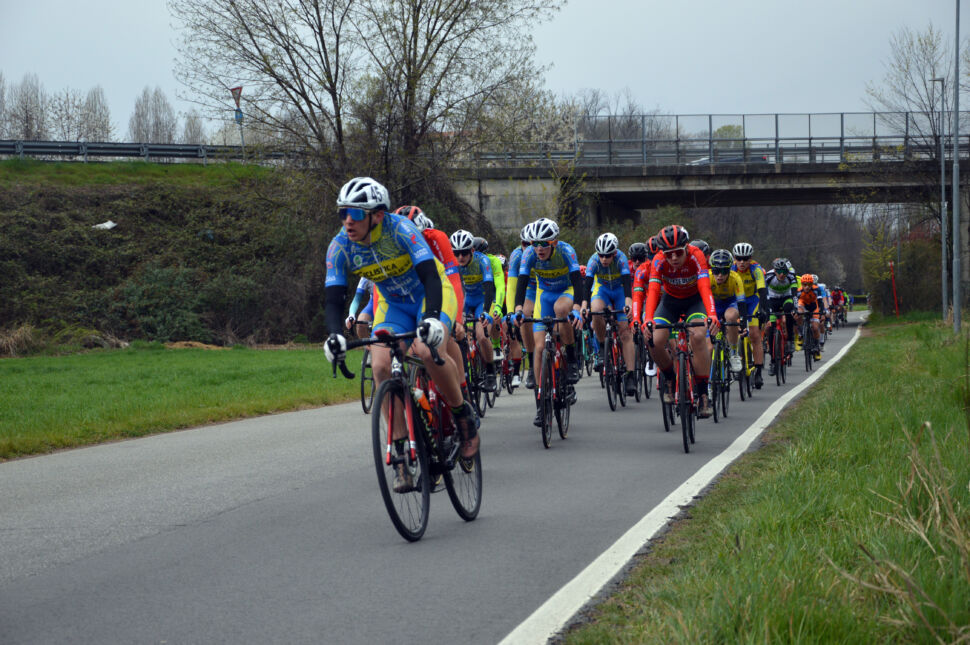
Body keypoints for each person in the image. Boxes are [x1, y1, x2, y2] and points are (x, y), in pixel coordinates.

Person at [323, 178, 478, 493]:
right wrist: (334, 335)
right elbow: (333, 298)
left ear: (377, 215)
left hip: (429, 295)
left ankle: (463, 414)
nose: (347, 220)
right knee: (380, 366)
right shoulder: (340, 246)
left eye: (355, 212)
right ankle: (399, 454)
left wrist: (433, 318)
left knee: (425, 349)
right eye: (343, 213)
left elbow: (431, 277)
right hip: (394, 306)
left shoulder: (402, 231)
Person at [640, 224, 718, 419]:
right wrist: (647, 318)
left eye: (677, 253)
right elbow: (654, 292)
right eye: (668, 254)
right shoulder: (658, 261)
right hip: (671, 302)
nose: (673, 258)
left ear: (686, 249)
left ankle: (702, 394)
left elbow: (705, 288)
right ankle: (669, 378)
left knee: (699, 336)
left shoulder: (696, 255)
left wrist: (712, 314)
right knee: (654, 340)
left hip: (694, 301)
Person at [512, 218, 584, 427]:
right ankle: (541, 405)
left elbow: (578, 282)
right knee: (540, 348)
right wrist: (517, 310)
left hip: (565, 292)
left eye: (544, 243)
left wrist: (577, 310)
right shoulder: (528, 255)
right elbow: (522, 284)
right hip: (544, 296)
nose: (539, 248)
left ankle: (571, 360)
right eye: (535, 243)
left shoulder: (566, 251)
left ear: (554, 242)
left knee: (561, 310)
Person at [394, 205, 467, 387]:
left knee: (446, 336)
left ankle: (463, 389)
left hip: (442, 289)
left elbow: (454, 280)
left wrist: (457, 320)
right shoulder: (392, 245)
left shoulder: (437, 238)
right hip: (414, 295)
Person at [581, 232, 636, 396]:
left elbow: (627, 283)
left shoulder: (621, 258)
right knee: (596, 310)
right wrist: (584, 306)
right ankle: (602, 346)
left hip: (619, 291)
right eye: (601, 255)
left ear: (614, 253)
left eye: (607, 256)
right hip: (603, 290)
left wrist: (628, 302)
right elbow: (587, 285)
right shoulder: (593, 261)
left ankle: (631, 375)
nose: (604, 259)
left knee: (625, 333)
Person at [451, 229, 499, 392]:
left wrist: (486, 311)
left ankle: (491, 372)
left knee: (481, 335)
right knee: (456, 334)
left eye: (464, 253)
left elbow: (489, 287)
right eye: (456, 253)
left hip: (483, 300)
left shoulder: (483, 261)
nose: (460, 258)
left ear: (472, 250)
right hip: (466, 300)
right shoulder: (453, 263)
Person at [731, 241, 768, 388]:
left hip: (752, 301)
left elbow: (762, 290)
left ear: (750, 258)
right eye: (738, 258)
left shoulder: (756, 269)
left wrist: (763, 309)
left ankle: (758, 371)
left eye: (745, 259)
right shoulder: (731, 268)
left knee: (754, 335)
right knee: (735, 330)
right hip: (736, 301)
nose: (742, 262)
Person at [505, 224, 535, 388]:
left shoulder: (543, 251)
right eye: (525, 244)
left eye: (532, 244)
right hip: (530, 290)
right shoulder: (517, 256)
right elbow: (512, 287)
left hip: (549, 287)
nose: (528, 248)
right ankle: (531, 364)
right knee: (524, 316)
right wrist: (511, 312)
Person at [708, 249, 748, 372]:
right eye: (716, 271)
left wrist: (742, 322)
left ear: (729, 270)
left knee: (730, 317)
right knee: (708, 346)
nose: (720, 275)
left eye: (724, 271)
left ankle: (734, 353)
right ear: (711, 269)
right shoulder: (707, 277)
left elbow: (741, 303)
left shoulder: (735, 278)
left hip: (729, 303)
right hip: (712, 304)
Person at [763, 257, 799, 376]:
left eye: (784, 272)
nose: (782, 275)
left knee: (789, 311)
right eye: (779, 272)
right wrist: (766, 311)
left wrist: (795, 308)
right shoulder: (768, 276)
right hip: (772, 301)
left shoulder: (791, 277)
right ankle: (773, 361)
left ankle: (789, 341)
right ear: (774, 271)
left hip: (786, 299)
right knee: (771, 327)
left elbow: (794, 294)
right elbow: (763, 295)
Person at [797, 274, 822, 360]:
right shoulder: (799, 291)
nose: (807, 287)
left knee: (815, 328)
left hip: (814, 308)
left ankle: (816, 347)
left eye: (809, 284)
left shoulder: (816, 289)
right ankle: (800, 334)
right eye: (804, 284)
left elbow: (820, 302)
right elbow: (797, 303)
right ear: (801, 284)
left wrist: (822, 313)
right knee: (797, 315)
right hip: (803, 306)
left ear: (812, 284)